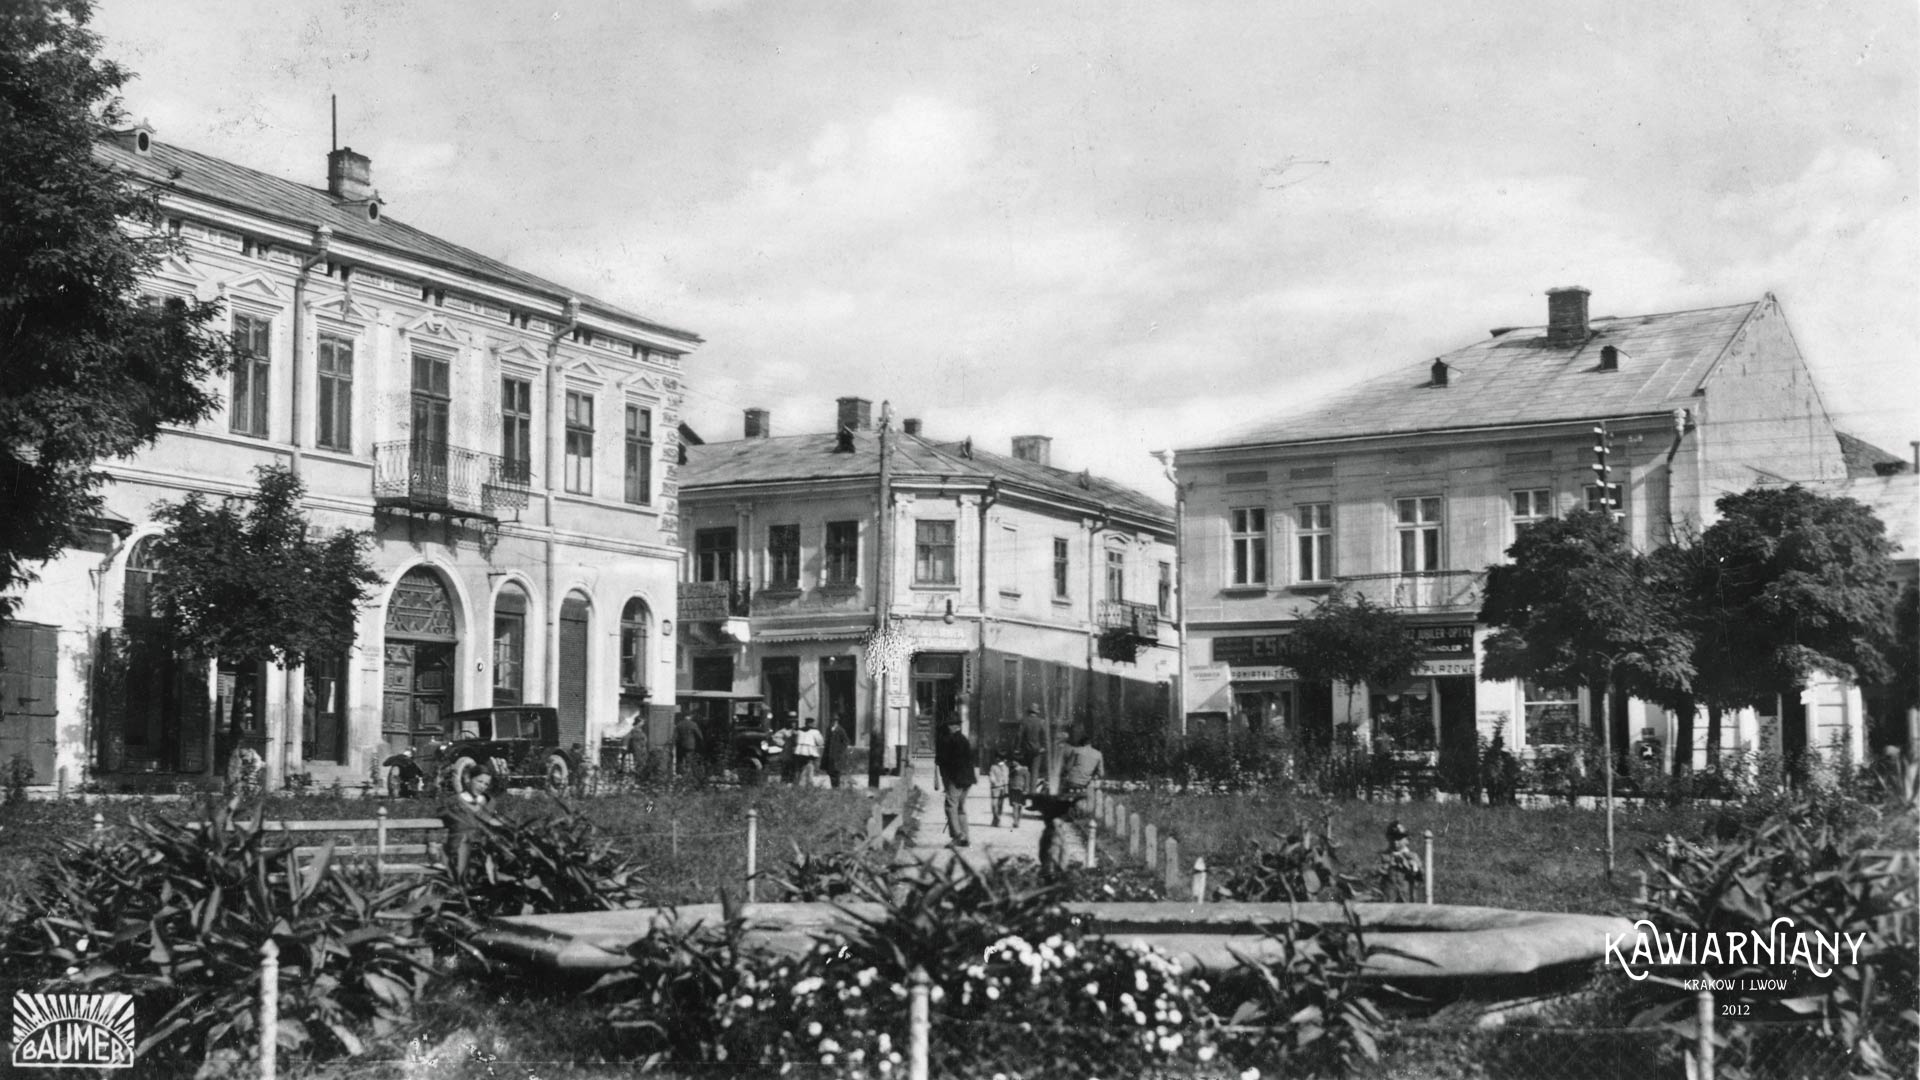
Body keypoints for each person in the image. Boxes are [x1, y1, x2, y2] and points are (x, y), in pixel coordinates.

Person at [447, 766, 504, 878]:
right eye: (479, 781)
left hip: (484, 850)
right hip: (461, 848)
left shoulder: (490, 802)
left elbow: (493, 826)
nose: (482, 786)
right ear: (469, 779)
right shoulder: (454, 801)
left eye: (486, 784)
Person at [934, 718, 976, 848]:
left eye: (948, 725)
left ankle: (957, 836)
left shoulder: (949, 740)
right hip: (967, 779)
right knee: (961, 808)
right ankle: (966, 837)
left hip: (955, 779)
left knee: (950, 806)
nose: (947, 728)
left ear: (953, 726)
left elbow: (947, 761)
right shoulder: (964, 739)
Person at [1379, 820, 1423, 903]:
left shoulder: (1413, 856)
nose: (1395, 842)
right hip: (1389, 900)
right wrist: (1388, 866)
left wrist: (1414, 867)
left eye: (1399, 839)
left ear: (1407, 840)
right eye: (1393, 838)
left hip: (1408, 898)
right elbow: (1374, 873)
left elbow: (1421, 876)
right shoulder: (1384, 856)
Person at [1017, 704, 1050, 793]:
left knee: (1025, 770)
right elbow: (1045, 736)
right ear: (1037, 712)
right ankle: (1032, 792)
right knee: (1035, 772)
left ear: (1029, 712)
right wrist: (1044, 747)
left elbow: (1019, 735)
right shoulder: (1041, 722)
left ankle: (1024, 789)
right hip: (1037, 751)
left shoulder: (1024, 721)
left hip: (1026, 750)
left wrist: (1018, 748)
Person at [793, 717, 824, 786]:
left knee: (799, 768)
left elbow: (796, 740)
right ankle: (809, 782)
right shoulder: (815, 732)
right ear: (812, 723)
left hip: (799, 751)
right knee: (810, 766)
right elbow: (820, 742)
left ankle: (799, 782)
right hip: (809, 751)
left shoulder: (799, 731)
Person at [673, 711, 704, 777]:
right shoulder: (693, 724)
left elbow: (675, 737)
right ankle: (688, 775)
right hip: (690, 745)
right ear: (690, 716)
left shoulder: (679, 724)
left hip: (681, 745)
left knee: (680, 760)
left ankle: (680, 774)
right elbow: (699, 736)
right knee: (689, 760)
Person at [823, 717, 850, 788]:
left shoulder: (840, 730)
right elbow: (827, 741)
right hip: (829, 754)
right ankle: (833, 786)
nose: (833, 722)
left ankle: (837, 786)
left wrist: (840, 751)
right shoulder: (829, 729)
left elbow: (846, 741)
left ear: (837, 722)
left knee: (836, 771)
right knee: (830, 771)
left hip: (837, 755)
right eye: (832, 721)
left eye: (835, 721)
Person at [987, 753, 1010, 828]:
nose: (998, 761)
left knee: (1000, 805)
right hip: (995, 788)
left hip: (1003, 788)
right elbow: (991, 776)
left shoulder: (1006, 768)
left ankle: (996, 820)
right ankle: (996, 818)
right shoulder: (993, 767)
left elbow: (1006, 778)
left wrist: (1006, 788)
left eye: (1000, 760)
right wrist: (994, 782)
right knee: (994, 804)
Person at [1006, 757, 1031, 826]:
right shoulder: (1012, 770)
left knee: (1019, 806)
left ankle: (1018, 820)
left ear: (1018, 761)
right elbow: (1009, 779)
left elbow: (1027, 780)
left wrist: (1026, 789)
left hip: (1021, 790)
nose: (1013, 762)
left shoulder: (1024, 770)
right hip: (1013, 789)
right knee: (1015, 805)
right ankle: (1015, 821)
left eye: (1014, 761)